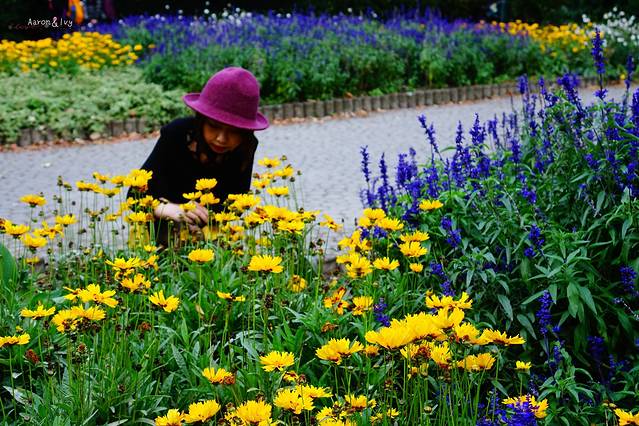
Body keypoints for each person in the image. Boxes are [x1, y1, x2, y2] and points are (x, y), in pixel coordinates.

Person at [131, 67, 269, 246]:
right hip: (160, 227)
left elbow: (237, 202)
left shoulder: (245, 147)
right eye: (214, 126)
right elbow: (134, 196)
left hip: (209, 232)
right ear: (201, 119)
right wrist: (170, 209)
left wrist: (203, 220)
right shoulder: (176, 134)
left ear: (246, 132)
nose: (221, 139)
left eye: (235, 131)